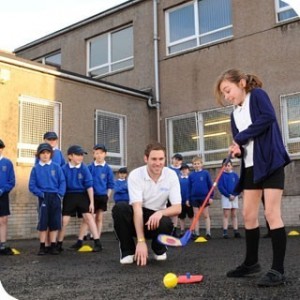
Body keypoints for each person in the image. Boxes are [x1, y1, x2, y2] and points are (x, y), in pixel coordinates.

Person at [215, 68, 290, 287]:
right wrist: (238, 149)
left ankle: (278, 270)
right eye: (224, 94)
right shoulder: (233, 113)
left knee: (271, 213)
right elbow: (242, 142)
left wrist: (240, 137)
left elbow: (268, 118)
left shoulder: (257, 95)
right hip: (250, 167)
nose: (227, 96)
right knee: (248, 215)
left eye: (228, 90)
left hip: (270, 162)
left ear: (241, 83)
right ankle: (251, 263)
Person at [112, 142, 182, 266]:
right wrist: (141, 240)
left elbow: (177, 208)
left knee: (166, 223)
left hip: (156, 218)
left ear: (165, 159)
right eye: (153, 159)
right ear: (146, 159)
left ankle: (158, 248)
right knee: (120, 208)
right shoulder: (135, 175)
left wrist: (160, 213)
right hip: (138, 215)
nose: (158, 163)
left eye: (161, 159)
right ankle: (128, 251)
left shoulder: (171, 175)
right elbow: (137, 208)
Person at [56, 145, 102, 252]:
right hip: (69, 196)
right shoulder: (63, 169)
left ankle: (97, 243)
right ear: (70, 156)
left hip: (82, 195)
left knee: (89, 217)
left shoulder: (84, 168)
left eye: (81, 155)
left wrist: (91, 202)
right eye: (77, 155)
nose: (80, 157)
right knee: (64, 220)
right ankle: (58, 244)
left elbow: (89, 186)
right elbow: (61, 184)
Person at [71, 144, 114, 250]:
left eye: (101, 153)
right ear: (93, 154)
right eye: (96, 153)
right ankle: (80, 240)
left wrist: (107, 196)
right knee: (87, 219)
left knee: (99, 218)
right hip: (91, 197)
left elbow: (110, 185)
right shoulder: (89, 167)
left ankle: (97, 240)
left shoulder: (108, 169)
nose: (99, 155)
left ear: (105, 154)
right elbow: (86, 182)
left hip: (102, 197)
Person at [29, 143, 66, 255]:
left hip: (55, 197)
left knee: (55, 221)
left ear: (51, 154)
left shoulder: (56, 167)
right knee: (43, 222)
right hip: (43, 197)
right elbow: (32, 185)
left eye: (47, 153)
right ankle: (42, 246)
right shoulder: (36, 168)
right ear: (38, 155)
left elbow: (62, 182)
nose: (45, 155)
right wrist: (41, 194)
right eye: (42, 153)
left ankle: (53, 246)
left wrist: (60, 194)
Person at [187, 156, 213, 240]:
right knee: (196, 215)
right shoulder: (191, 175)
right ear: (192, 165)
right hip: (194, 198)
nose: (196, 165)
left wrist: (211, 196)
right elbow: (189, 187)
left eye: (198, 163)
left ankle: (208, 232)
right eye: (195, 164)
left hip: (204, 198)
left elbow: (210, 186)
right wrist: (188, 199)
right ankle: (196, 233)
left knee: (206, 215)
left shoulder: (205, 173)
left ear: (201, 164)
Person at [218, 158, 241, 239]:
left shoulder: (235, 175)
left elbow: (239, 186)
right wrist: (228, 195)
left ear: (231, 166)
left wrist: (234, 194)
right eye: (225, 166)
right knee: (226, 214)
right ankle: (225, 232)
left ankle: (236, 231)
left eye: (228, 166)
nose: (227, 167)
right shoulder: (221, 175)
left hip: (234, 197)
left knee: (234, 214)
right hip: (226, 197)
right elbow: (220, 187)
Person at [0, 139, 16, 255]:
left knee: (3, 220)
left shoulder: (7, 163)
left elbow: (11, 181)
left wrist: (2, 190)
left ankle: (2, 245)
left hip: (2, 195)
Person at [168, 153, 183, 236]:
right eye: (175, 159)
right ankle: (167, 229)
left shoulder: (182, 170)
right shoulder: (167, 169)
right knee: (168, 212)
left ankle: (174, 230)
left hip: (178, 194)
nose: (177, 161)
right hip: (168, 194)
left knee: (175, 213)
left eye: (179, 160)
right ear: (172, 159)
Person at [178, 163, 193, 237]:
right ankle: (182, 230)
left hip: (189, 201)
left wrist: (189, 199)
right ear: (180, 171)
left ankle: (192, 230)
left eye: (185, 169)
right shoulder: (178, 180)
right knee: (181, 217)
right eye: (182, 169)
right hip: (181, 201)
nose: (184, 171)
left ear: (188, 170)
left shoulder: (190, 179)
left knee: (191, 216)